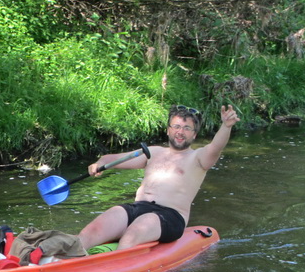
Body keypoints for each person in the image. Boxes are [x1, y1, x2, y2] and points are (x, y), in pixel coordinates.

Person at [78, 104, 240, 251]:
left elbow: (216, 147)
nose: (180, 132)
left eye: (187, 128)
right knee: (94, 229)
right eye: (176, 126)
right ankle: (68, 260)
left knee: (133, 233)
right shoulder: (153, 152)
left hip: (171, 216)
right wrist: (99, 163)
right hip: (137, 208)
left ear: (194, 135)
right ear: (168, 130)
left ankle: (115, 268)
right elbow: (113, 159)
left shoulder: (199, 158)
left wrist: (226, 126)